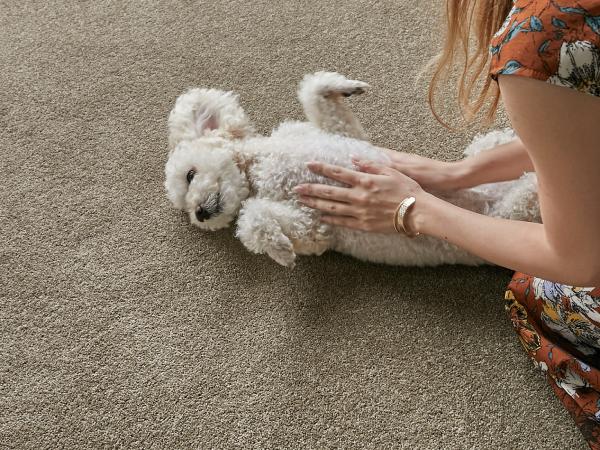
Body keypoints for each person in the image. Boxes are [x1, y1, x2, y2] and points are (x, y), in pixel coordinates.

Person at [292, 0, 600, 446]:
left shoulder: (543, 38)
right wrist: (460, 173)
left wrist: (417, 208)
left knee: (535, 290)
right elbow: (582, 122)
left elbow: (577, 258)